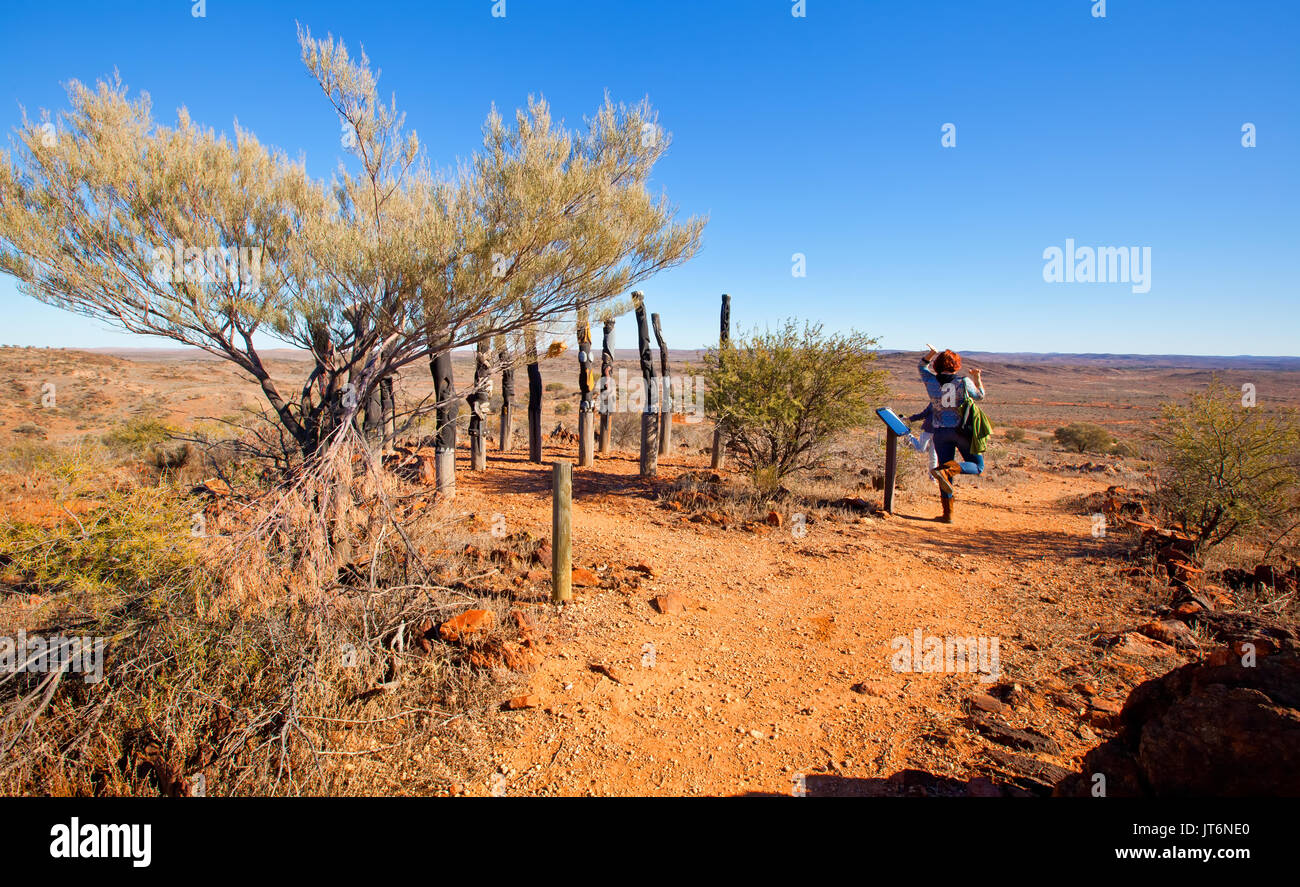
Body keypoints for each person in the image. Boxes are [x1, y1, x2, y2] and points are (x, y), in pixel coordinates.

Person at [917, 347, 985, 523]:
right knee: (977, 467)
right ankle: (949, 470)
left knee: (944, 474)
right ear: (956, 366)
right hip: (960, 431)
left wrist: (931, 353)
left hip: (939, 431)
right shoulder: (963, 381)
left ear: (938, 366)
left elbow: (921, 366)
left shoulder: (931, 381)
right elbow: (980, 396)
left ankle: (948, 514)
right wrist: (977, 378)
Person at [904, 405, 938, 470]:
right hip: (928, 430)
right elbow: (923, 414)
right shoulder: (933, 402)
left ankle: (932, 476)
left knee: (933, 455)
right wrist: (910, 419)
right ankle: (909, 436)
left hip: (938, 433)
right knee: (921, 449)